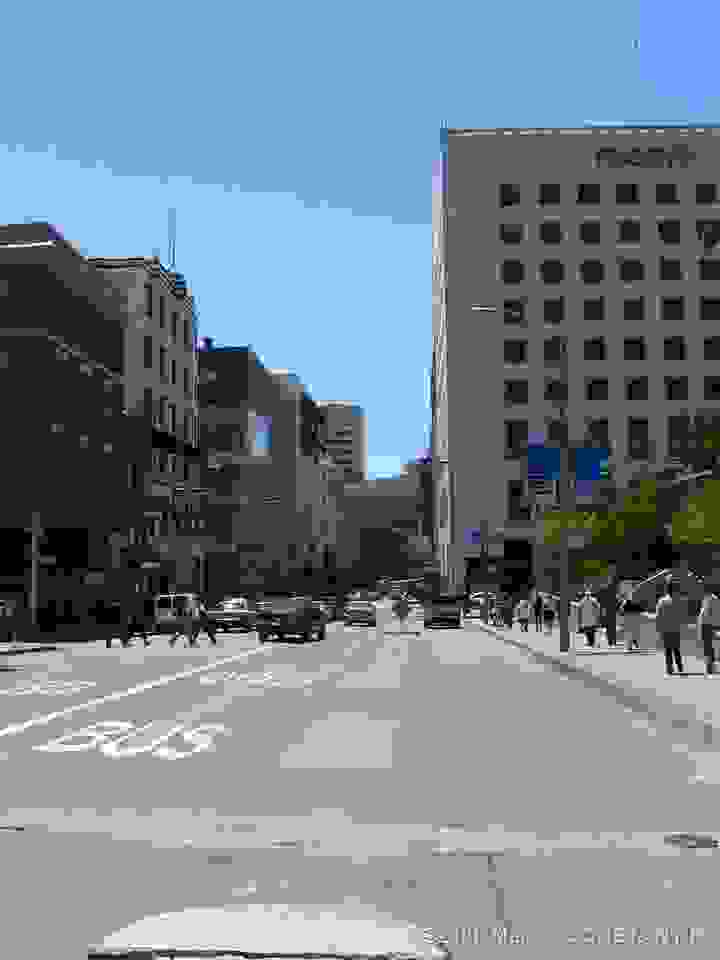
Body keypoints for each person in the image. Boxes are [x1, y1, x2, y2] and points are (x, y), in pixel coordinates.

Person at [655, 577, 686, 676]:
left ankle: (669, 668)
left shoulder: (662, 601)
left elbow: (658, 616)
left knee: (668, 650)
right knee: (676, 649)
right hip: (675, 628)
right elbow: (682, 615)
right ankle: (680, 667)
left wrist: (658, 628)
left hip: (665, 629)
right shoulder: (679, 600)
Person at [697, 581, 720, 675]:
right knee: (709, 647)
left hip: (707, 625)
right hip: (710, 624)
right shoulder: (710, 599)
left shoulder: (709, 598)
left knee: (708, 646)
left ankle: (710, 667)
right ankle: (711, 666)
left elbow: (706, 614)